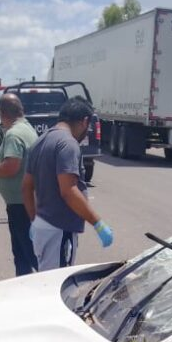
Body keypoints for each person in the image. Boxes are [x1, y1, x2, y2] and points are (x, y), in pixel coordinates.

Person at [22, 96, 113, 271]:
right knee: (55, 283)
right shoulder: (68, 144)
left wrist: (34, 220)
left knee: (45, 278)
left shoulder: (40, 141)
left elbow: (26, 187)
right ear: (85, 121)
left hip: (43, 226)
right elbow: (69, 191)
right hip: (59, 230)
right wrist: (98, 223)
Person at [0, 93, 38, 276]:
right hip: (26, 201)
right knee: (25, 253)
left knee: (25, 254)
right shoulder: (27, 129)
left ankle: (37, 289)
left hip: (20, 205)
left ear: (1, 112)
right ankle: (27, 288)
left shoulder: (13, 134)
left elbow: (11, 167)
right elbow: (16, 161)